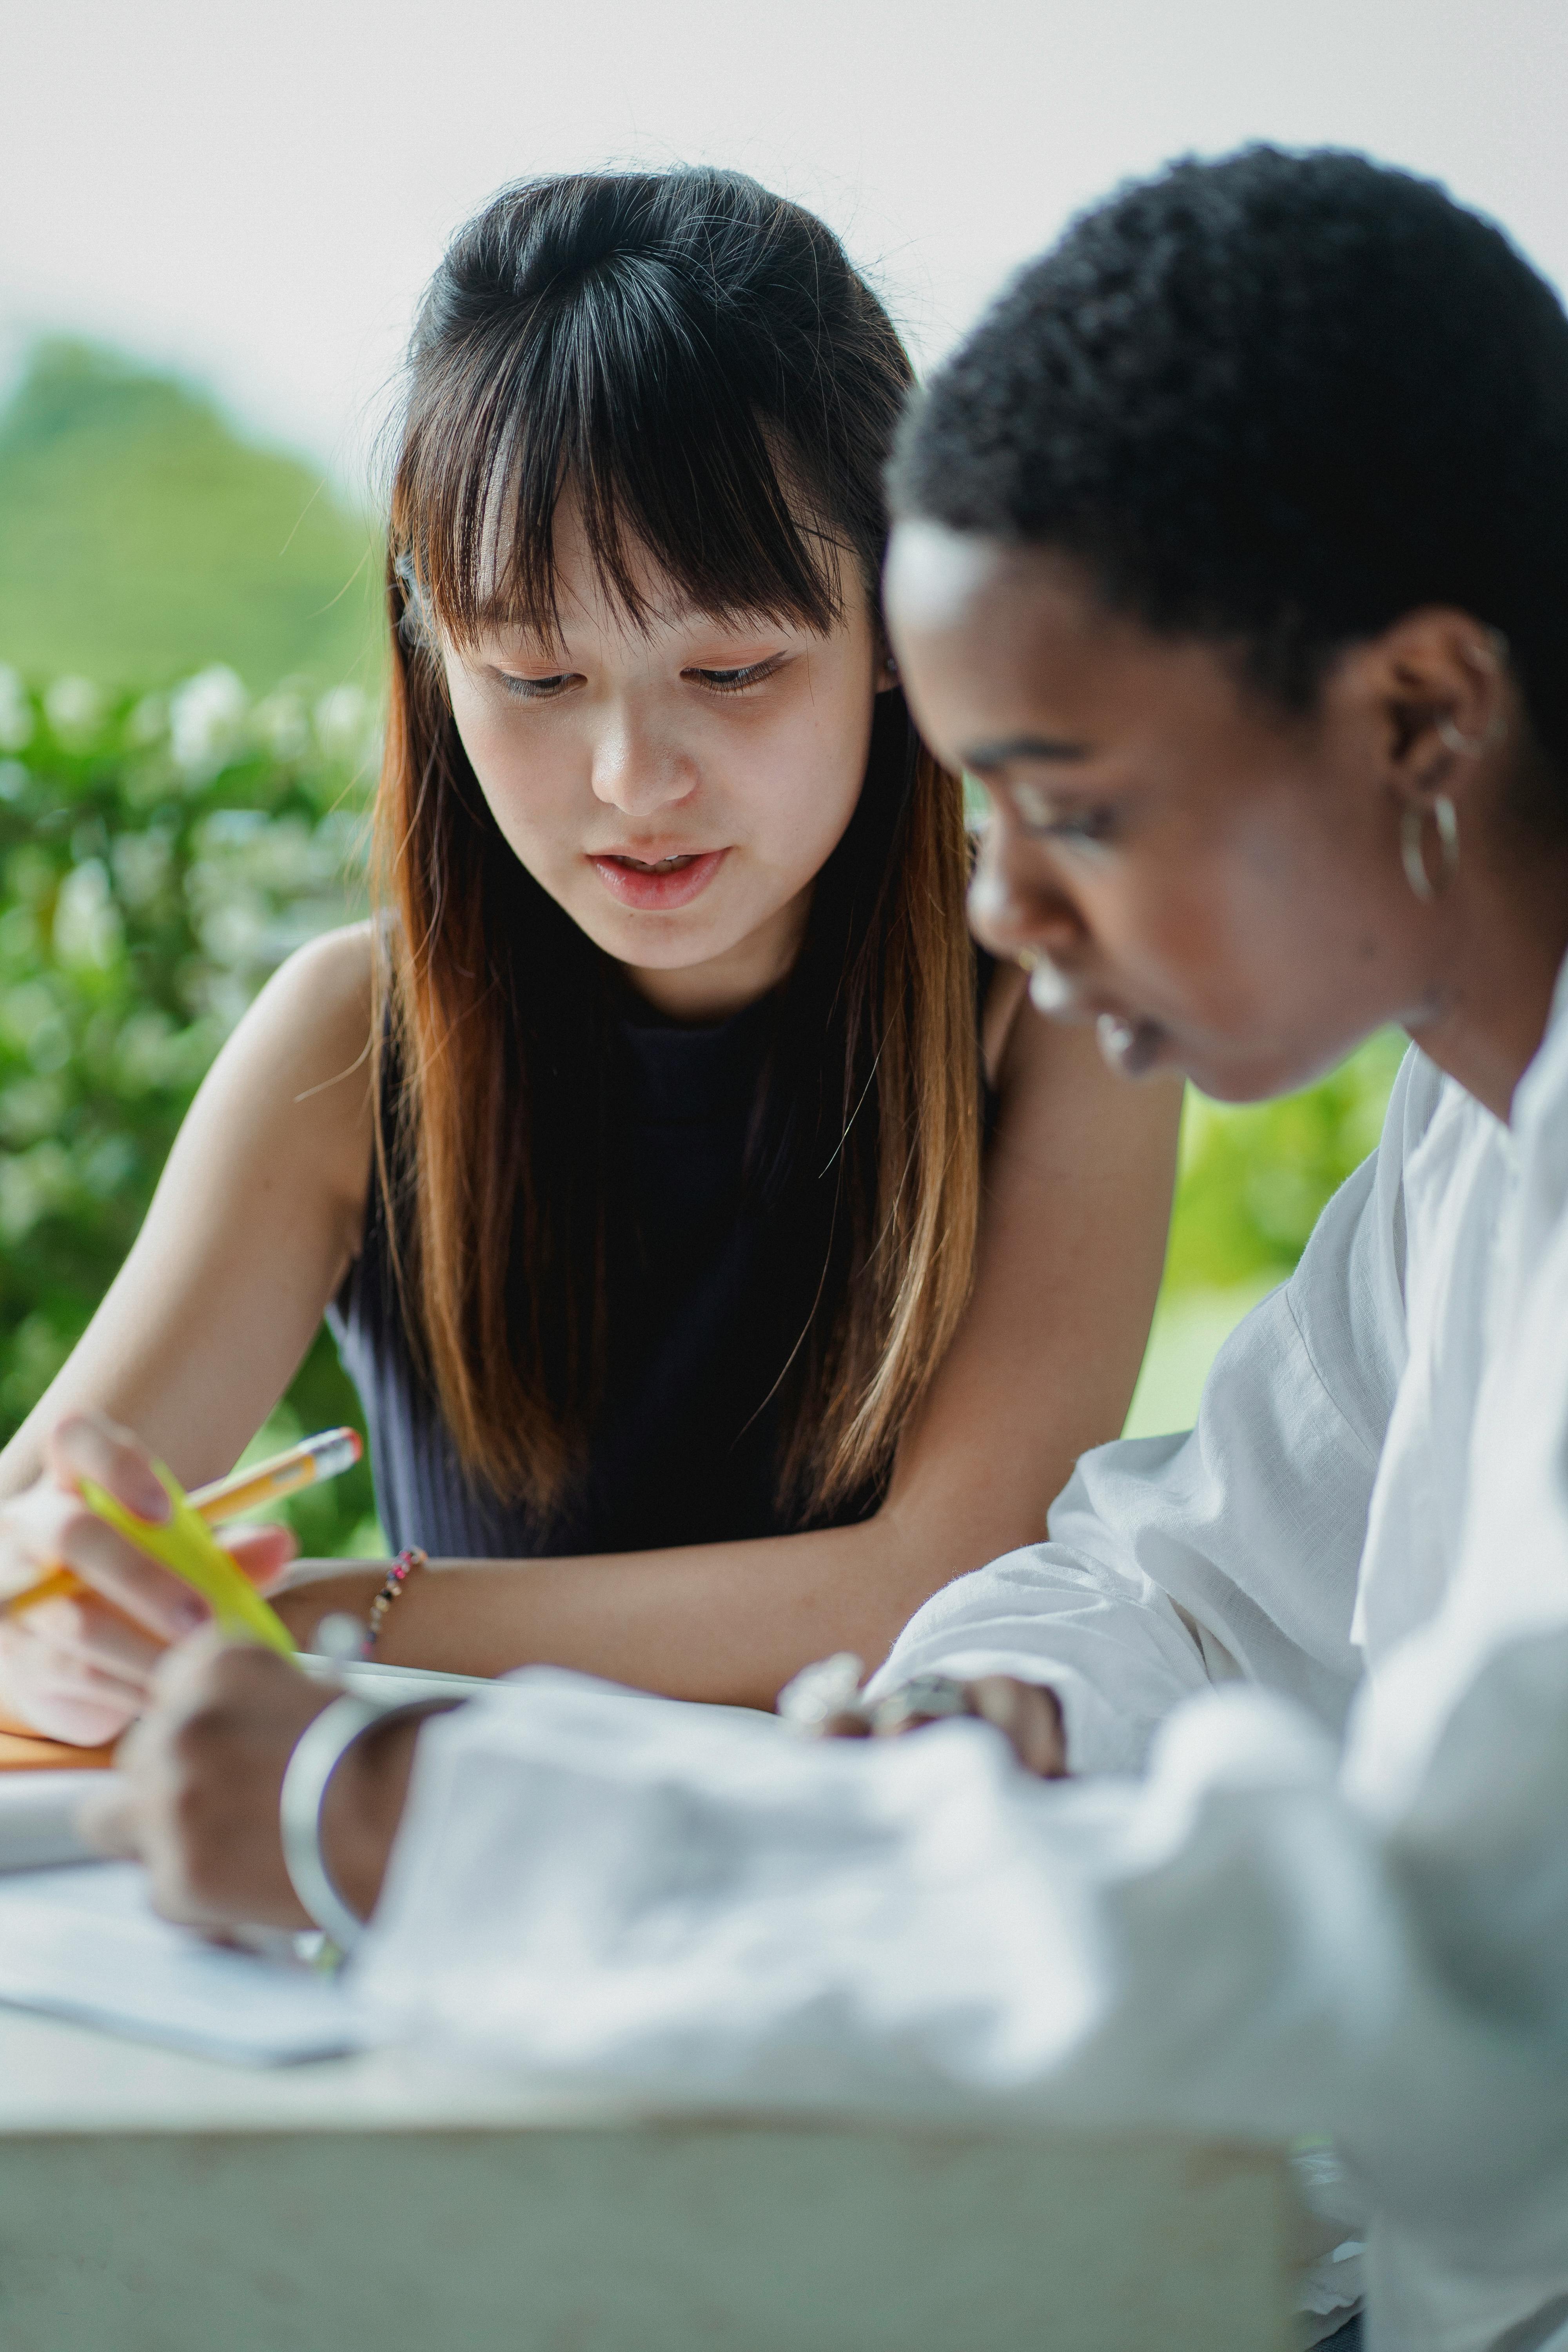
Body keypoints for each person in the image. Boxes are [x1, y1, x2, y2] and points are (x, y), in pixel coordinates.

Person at [66, 142, 1568, 2345]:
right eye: (537, 678)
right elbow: (1197, 1577)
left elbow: (1453, 1963)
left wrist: (420, 1813)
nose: (1004, 909)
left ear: (1420, 720)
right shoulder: (1463, 1139)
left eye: (1069, 802)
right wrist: (996, 1701)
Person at [0, 169, 1180, 1747]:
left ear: (897, 627)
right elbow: (55, 1534)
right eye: (537, 676)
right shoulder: (352, 1040)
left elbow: (945, 1572)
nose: (633, 778)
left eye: (734, 667)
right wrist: (63, 1603)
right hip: (454, 1917)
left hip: (867, 1917)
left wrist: (330, 1621)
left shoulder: (1061, 992)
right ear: (436, 657)